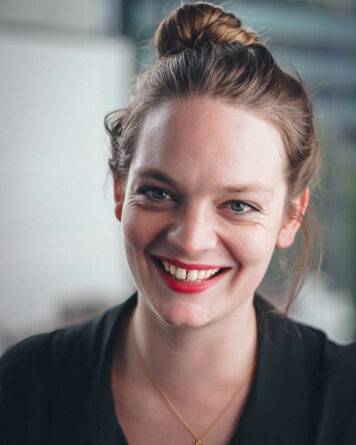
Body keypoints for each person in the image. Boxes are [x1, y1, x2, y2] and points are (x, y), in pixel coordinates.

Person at [1, 3, 355, 444]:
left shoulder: (345, 399)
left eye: (239, 205)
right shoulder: (24, 387)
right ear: (119, 190)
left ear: (291, 217)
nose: (190, 239)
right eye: (159, 193)